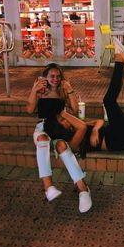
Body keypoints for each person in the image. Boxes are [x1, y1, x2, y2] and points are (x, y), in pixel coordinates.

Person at [48, 43, 124, 159]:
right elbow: (81, 127)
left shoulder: (76, 127)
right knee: (108, 101)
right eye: (63, 121)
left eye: (64, 119)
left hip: (117, 131)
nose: (66, 120)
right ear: (60, 129)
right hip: (116, 141)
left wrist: (95, 130)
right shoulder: (71, 142)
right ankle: (119, 61)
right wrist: (62, 113)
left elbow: (99, 121)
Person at [26, 63, 92, 213]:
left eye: (58, 76)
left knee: (62, 146)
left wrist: (70, 90)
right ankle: (48, 187)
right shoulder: (41, 91)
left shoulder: (63, 91)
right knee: (42, 140)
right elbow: (29, 109)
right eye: (52, 76)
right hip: (42, 128)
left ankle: (83, 189)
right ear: (46, 77)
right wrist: (33, 90)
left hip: (58, 129)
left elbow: (75, 109)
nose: (55, 79)